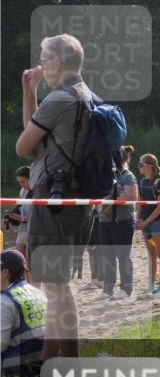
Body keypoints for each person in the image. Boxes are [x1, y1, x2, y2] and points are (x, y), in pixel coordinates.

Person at [15, 34, 97, 360]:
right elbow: (35, 140)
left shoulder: (61, 99)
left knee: (57, 287)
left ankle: (69, 363)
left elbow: (24, 147)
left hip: (54, 201)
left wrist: (33, 94)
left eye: (44, 57)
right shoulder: (88, 96)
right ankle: (51, 362)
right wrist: (29, 92)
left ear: (58, 63)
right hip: (78, 202)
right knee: (55, 285)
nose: (41, 62)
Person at [96, 145, 137, 301]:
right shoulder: (106, 177)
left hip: (123, 221)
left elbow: (132, 198)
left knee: (123, 256)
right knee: (107, 256)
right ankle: (108, 288)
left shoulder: (128, 176)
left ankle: (126, 288)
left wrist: (111, 201)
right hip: (105, 220)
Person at [1, 250, 46, 377]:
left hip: (19, 366)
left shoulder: (5, 300)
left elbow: (1, 344)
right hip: (43, 358)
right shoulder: (38, 292)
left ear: (5, 272)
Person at [135, 154, 160, 299]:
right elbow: (141, 202)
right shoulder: (142, 182)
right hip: (145, 223)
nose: (139, 167)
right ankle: (150, 287)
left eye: (141, 164)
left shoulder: (159, 182)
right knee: (152, 255)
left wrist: (145, 222)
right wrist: (138, 219)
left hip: (156, 222)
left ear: (149, 166)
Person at [5, 167, 33, 260]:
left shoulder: (39, 191)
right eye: (19, 182)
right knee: (18, 257)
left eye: (23, 181)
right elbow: (19, 207)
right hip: (23, 228)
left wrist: (22, 219)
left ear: (31, 178)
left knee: (30, 260)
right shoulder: (23, 191)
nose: (21, 185)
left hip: (35, 229)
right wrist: (9, 218)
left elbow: (42, 216)